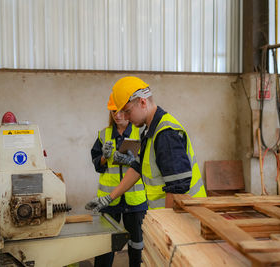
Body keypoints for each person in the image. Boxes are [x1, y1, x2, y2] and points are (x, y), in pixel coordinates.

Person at [86, 76, 207, 212]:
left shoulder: (165, 134)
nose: (124, 117)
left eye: (127, 111)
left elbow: (177, 189)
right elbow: (137, 167)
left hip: (187, 216)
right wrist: (109, 198)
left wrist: (165, 225)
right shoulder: (150, 131)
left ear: (143, 102)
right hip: (170, 216)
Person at [87, 93, 147, 267]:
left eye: (121, 110)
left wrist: (132, 161)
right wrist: (105, 158)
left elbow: (147, 163)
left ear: (128, 111)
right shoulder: (103, 135)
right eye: (113, 111)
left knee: (137, 245)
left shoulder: (140, 132)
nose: (117, 115)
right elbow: (97, 164)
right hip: (109, 199)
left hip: (135, 201)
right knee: (106, 245)